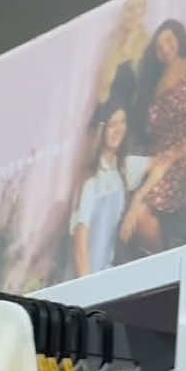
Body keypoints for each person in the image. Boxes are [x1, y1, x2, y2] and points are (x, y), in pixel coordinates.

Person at [118, 17, 186, 253]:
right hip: (160, 158)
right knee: (135, 216)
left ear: (179, 38)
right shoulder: (154, 84)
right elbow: (150, 134)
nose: (164, 47)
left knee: (139, 210)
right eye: (159, 46)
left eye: (169, 40)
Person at [69, 103, 152, 276]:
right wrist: (88, 287)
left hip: (111, 274)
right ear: (101, 130)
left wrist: (136, 203)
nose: (118, 130)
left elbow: (165, 161)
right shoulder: (90, 179)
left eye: (122, 122)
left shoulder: (124, 168)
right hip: (89, 278)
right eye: (112, 124)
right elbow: (80, 248)